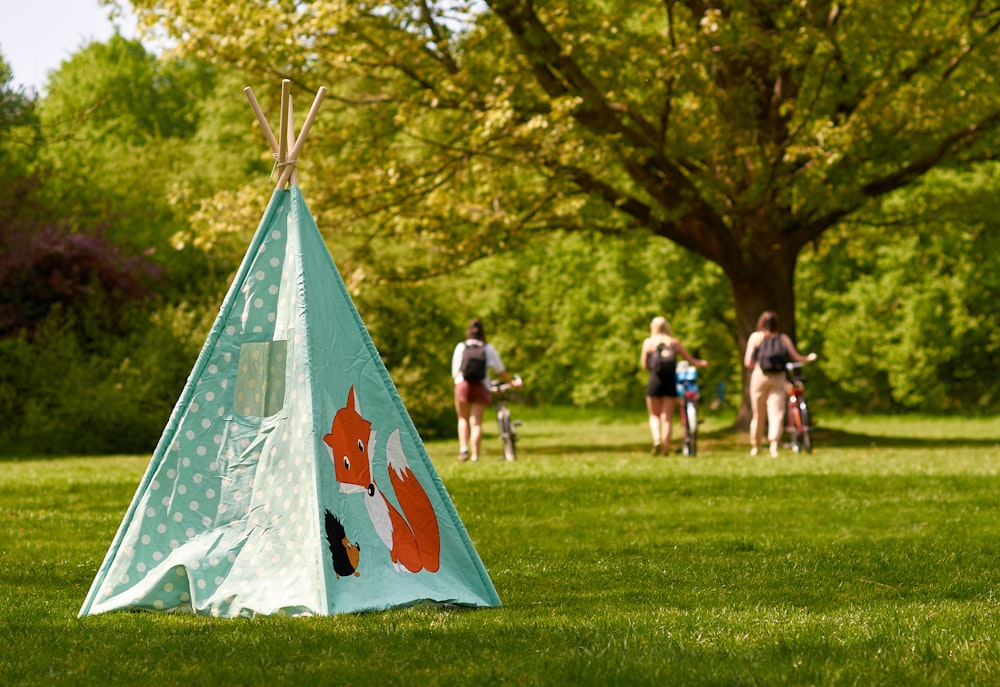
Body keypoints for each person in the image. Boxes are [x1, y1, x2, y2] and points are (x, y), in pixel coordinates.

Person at [743, 310, 817, 457]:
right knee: (776, 412)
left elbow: (748, 362)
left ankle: (756, 446)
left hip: (760, 376)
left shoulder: (756, 337)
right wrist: (808, 358)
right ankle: (774, 445)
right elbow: (796, 357)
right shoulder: (783, 338)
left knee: (758, 414)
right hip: (778, 378)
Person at [452, 318, 522, 462]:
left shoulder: (461, 346)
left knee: (462, 418)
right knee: (476, 422)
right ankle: (475, 455)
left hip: (462, 385)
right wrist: (511, 382)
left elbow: (454, 371)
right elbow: (500, 370)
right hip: (480, 386)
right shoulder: (487, 348)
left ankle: (463, 449)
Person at [639, 316, 708, 455]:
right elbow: (690, 359)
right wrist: (701, 363)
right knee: (667, 417)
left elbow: (644, 365)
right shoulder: (673, 343)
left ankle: (657, 439)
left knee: (654, 415)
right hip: (670, 382)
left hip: (655, 381)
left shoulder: (648, 343)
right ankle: (665, 448)